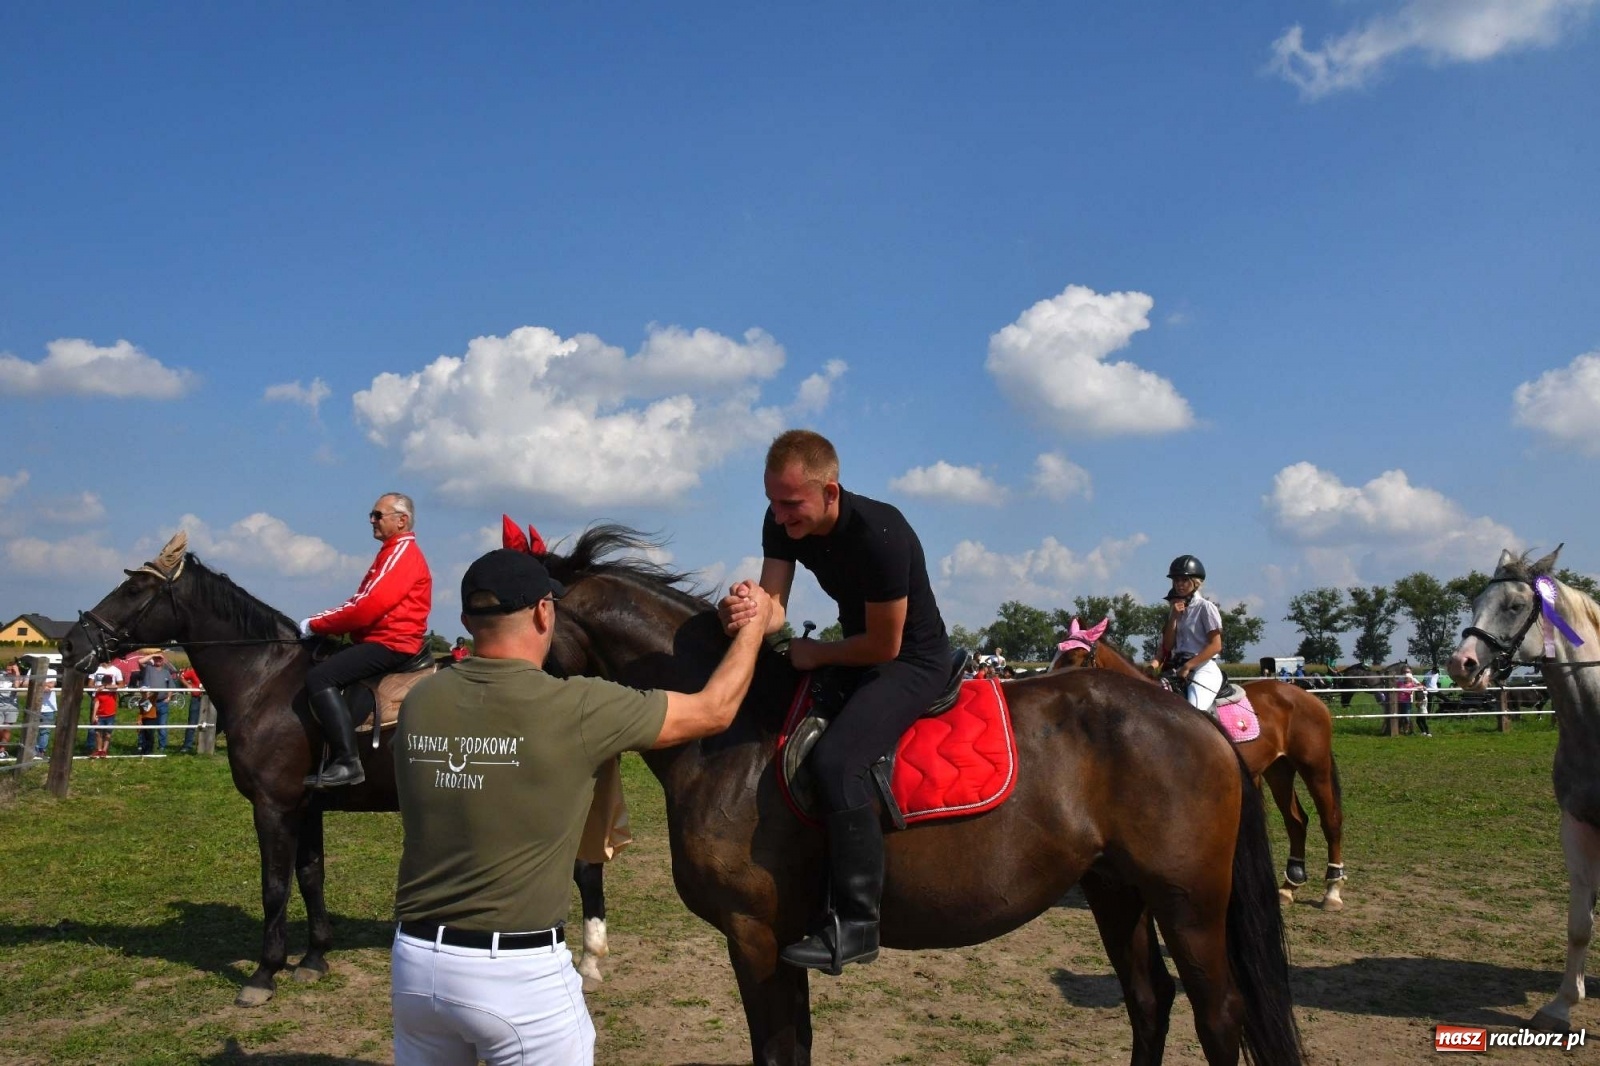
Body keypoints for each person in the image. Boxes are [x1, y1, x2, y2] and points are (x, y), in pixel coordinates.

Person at [391, 548, 777, 1066]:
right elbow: (715, 709)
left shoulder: (419, 701)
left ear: (465, 620)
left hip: (415, 970)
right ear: (544, 613)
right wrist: (754, 626)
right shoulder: (577, 706)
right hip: (516, 975)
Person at [717, 429, 952, 975]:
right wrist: (747, 608)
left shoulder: (881, 533)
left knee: (837, 761)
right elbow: (775, 604)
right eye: (773, 501)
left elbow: (885, 645)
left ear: (831, 492)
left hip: (911, 661)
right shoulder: (782, 521)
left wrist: (814, 653)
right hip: (859, 653)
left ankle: (857, 923)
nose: (779, 516)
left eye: (792, 503)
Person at [297, 493, 432, 789]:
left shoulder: (401, 553)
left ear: (402, 520)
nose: (372, 520)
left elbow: (366, 607)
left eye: (377, 515)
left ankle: (347, 762)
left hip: (390, 643)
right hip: (382, 640)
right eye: (372, 515)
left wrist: (316, 624)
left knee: (320, 678)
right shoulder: (391, 551)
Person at [1153, 555, 1224, 716]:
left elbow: (1216, 645)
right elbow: (1168, 646)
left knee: (1193, 714)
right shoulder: (1175, 610)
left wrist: (1188, 666)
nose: (1179, 584)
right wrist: (1173, 618)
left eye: (1183, 580)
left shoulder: (1206, 607)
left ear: (1195, 582)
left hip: (1203, 668)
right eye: (1176, 580)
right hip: (1177, 668)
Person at [135, 653, 181, 752]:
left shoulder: (166, 672)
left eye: (160, 659)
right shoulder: (148, 669)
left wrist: (168, 698)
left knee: (162, 725)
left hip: (162, 703)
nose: (158, 660)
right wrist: (153, 654)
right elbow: (140, 661)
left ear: (163, 661)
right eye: (156, 659)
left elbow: (171, 686)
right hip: (148, 702)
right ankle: (142, 745)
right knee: (145, 724)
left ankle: (162, 747)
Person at [178, 664, 203, 753]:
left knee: (209, 723)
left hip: (208, 700)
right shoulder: (193, 671)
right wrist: (189, 686)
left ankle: (205, 745)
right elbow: (181, 677)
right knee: (192, 722)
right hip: (196, 699)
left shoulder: (211, 671)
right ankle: (187, 745)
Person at [91, 676, 119, 758]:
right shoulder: (99, 691)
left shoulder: (112, 690)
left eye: (108, 682)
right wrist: (94, 715)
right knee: (97, 732)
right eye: (105, 682)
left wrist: (105, 687)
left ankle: (104, 750)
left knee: (108, 733)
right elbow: (96, 703)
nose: (106, 683)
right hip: (100, 714)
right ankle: (99, 750)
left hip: (110, 715)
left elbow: (117, 686)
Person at [34, 678, 58, 756]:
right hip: (34, 706)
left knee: (45, 731)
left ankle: (41, 751)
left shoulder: (52, 671)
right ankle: (31, 750)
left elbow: (52, 685)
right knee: (31, 730)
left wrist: (38, 683)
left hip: (48, 708)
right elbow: (26, 684)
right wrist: (46, 684)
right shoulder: (32, 670)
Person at [0, 663, 19, 760]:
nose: (8, 672)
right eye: (7, 669)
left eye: (11, 670)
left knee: (7, 729)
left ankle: (2, 751)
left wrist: (16, 674)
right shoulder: (1, 676)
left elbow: (16, 686)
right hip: (0, 705)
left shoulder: (17, 677)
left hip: (12, 706)